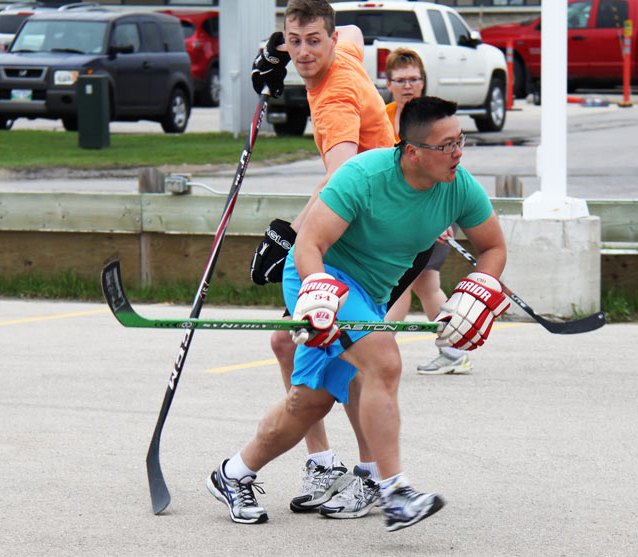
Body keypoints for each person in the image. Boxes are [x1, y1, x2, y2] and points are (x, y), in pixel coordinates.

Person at [206, 96, 509, 531]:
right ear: (412, 151)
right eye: (447, 145)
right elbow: (308, 244)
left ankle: (233, 473)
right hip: (319, 277)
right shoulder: (363, 176)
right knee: (383, 360)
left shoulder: (458, 186)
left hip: (370, 292)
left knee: (310, 401)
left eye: (461, 141)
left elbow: (494, 247)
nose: (458, 153)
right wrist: (316, 291)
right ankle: (394, 491)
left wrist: (480, 289)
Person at [246, 0, 396, 518]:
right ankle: (323, 462)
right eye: (293, 40)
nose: (303, 51)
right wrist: (275, 52)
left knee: (350, 356)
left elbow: (342, 180)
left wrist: (291, 234)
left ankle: (372, 474)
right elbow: (351, 26)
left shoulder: (333, 99)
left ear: (329, 42)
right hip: (374, 219)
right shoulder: (344, 50)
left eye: (313, 40)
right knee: (286, 340)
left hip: (370, 235)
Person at [383, 48, 471, 376]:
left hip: (431, 215)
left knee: (403, 284)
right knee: (426, 286)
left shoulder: (435, 119)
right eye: (401, 80)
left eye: (415, 79)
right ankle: (454, 349)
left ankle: (375, 350)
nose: (409, 86)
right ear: (389, 83)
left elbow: (450, 167)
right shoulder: (382, 116)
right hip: (396, 216)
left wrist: (442, 219)